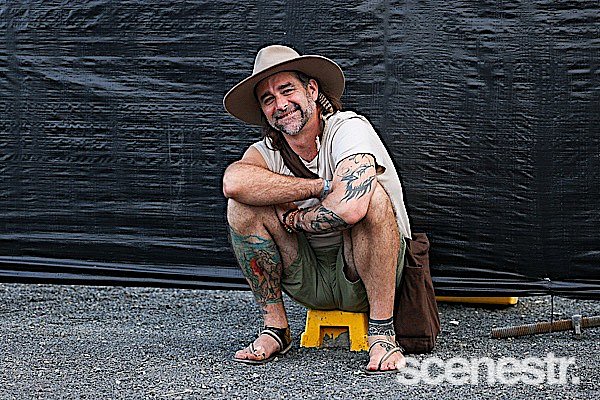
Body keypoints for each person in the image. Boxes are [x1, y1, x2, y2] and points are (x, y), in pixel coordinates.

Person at [222, 45, 412, 373]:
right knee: (242, 205)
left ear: (311, 90)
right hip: (308, 277)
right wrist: (318, 187)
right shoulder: (266, 151)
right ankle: (275, 329)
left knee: (373, 197)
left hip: (364, 272)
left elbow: (350, 209)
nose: (281, 104)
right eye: (268, 99)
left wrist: (295, 218)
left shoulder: (348, 127)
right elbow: (233, 182)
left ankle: (382, 334)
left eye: (287, 90)